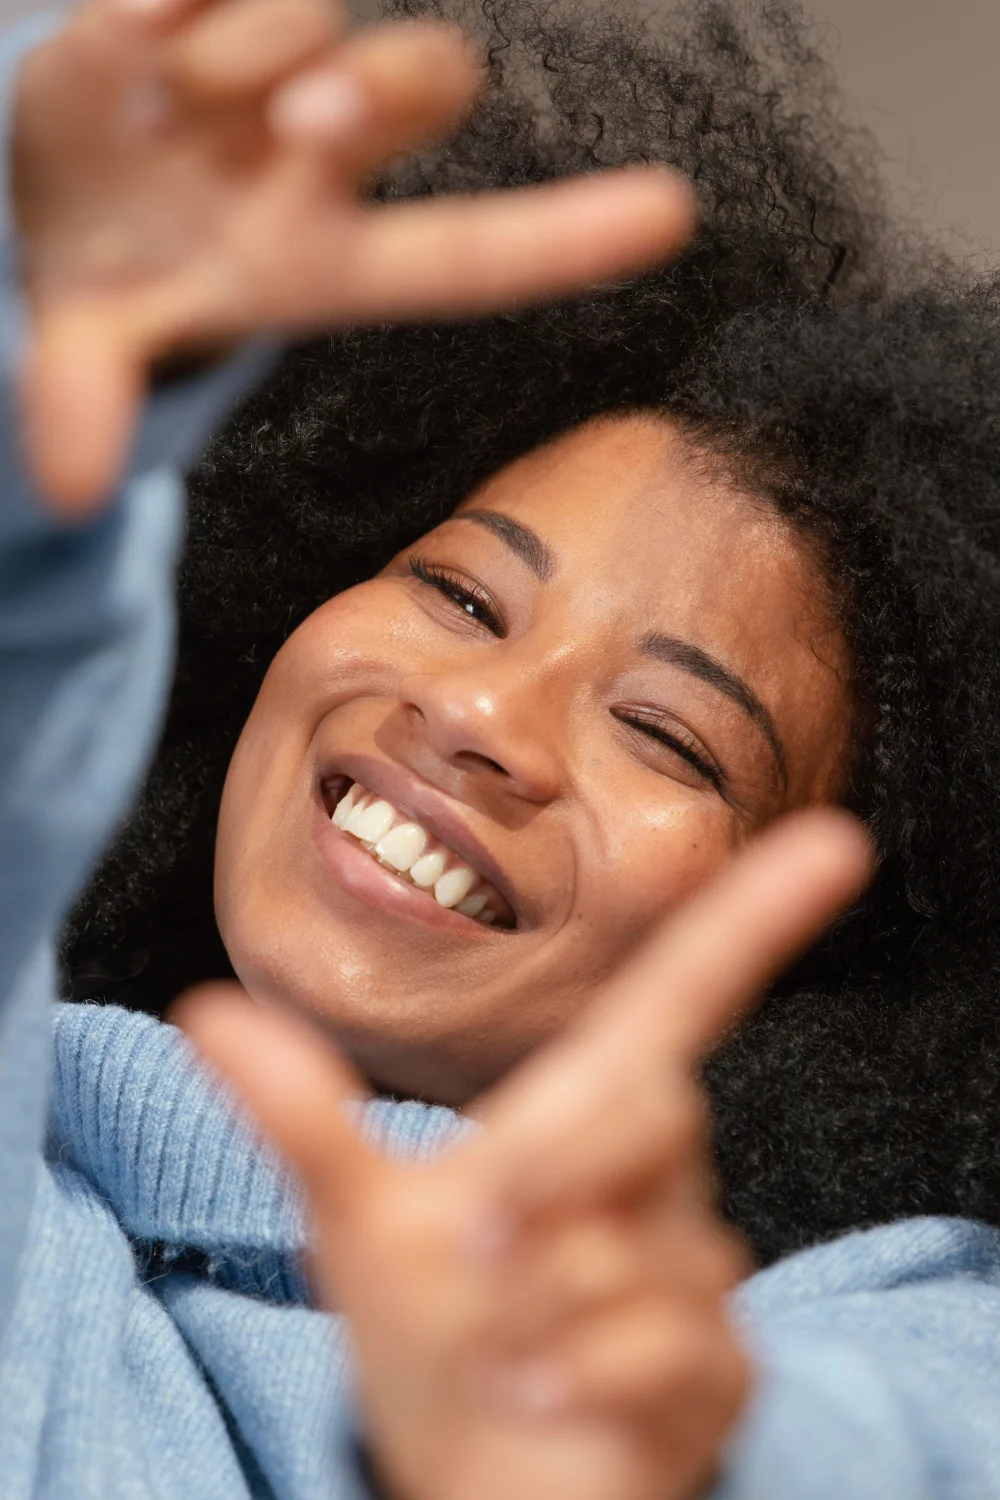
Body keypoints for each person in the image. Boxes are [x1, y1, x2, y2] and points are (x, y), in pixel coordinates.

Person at [3, 3, 1000, 1500]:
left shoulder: (875, 1334)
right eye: (460, 592)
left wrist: (683, 1451)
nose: (479, 714)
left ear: (836, 984)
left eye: (669, 734)